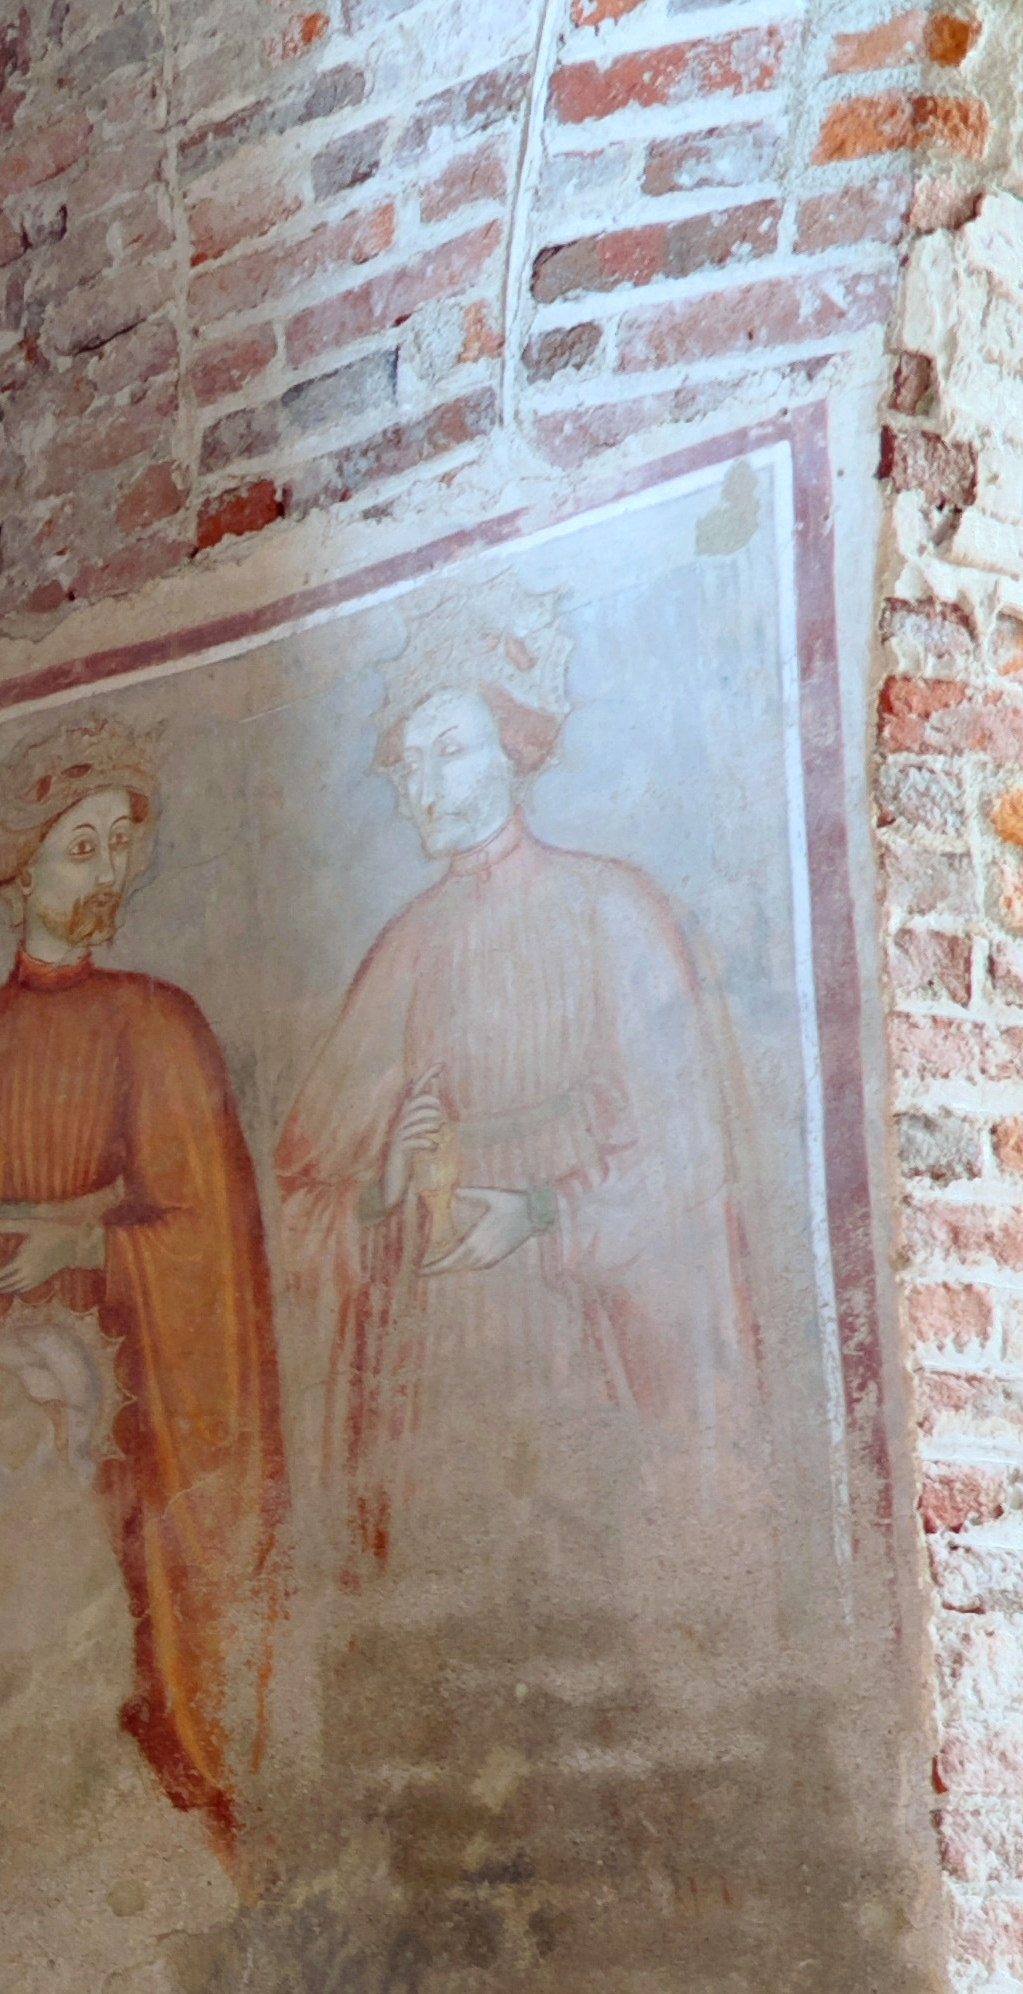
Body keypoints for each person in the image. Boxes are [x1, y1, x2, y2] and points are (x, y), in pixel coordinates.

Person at [0, 717, 285, 1842]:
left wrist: (84, 1248)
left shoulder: (158, 1028)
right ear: (18, 866)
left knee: (101, 1735)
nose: (105, 873)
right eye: (79, 847)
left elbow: (212, 1245)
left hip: (114, 1454)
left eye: (118, 845)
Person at [272, 598, 767, 1616]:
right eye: (407, 765)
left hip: (572, 1344)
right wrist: (380, 1191)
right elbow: (301, 1192)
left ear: (513, 748)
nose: (423, 787)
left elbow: (684, 1162)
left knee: (581, 1626)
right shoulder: (403, 949)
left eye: (447, 750)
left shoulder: (608, 912)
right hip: (425, 1372)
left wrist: (539, 1216)